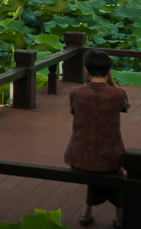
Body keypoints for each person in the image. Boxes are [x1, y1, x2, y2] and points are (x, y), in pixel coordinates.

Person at [64, 49, 130, 227]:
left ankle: (87, 212)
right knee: (108, 168)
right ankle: (119, 215)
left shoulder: (76, 93)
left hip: (77, 157)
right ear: (109, 71)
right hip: (109, 159)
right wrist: (112, 82)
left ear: (86, 70)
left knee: (95, 163)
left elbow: (73, 110)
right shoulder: (117, 94)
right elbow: (126, 105)